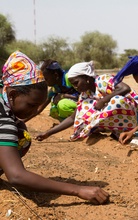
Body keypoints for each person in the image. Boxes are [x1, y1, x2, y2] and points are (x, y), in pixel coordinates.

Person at [0, 51, 109, 204]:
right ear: (12, 94)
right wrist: (78, 190)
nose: (33, 111)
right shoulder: (4, 121)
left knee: (20, 133)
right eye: (31, 105)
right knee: (19, 137)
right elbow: (16, 176)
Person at [35, 61, 138, 142]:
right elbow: (72, 118)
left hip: (136, 113)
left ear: (86, 78)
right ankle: (118, 132)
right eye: (73, 85)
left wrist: (104, 100)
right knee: (85, 107)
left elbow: (125, 88)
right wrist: (48, 134)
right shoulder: (86, 94)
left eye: (77, 83)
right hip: (124, 120)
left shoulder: (102, 79)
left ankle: (137, 130)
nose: (76, 87)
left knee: (116, 101)